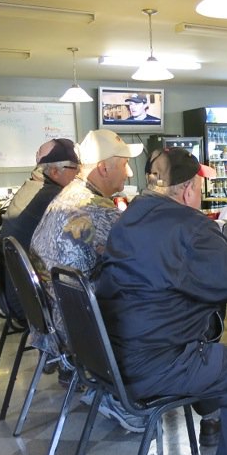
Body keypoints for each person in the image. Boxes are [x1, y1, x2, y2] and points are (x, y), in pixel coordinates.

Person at [96, 147, 227, 455]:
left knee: (210, 342)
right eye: (198, 184)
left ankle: (214, 421)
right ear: (187, 190)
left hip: (113, 357)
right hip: (157, 364)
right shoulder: (190, 227)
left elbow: (186, 267)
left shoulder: (129, 216)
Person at [30, 129, 144, 430]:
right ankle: (126, 397)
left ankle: (106, 388)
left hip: (53, 319)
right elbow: (145, 255)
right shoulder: (95, 208)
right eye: (124, 164)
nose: (130, 172)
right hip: (80, 328)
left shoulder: (67, 196)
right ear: (103, 167)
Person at [0, 138, 80, 319]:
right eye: (75, 169)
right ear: (54, 171)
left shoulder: (32, 187)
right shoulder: (56, 199)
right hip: (32, 304)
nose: (78, 175)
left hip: (17, 292)